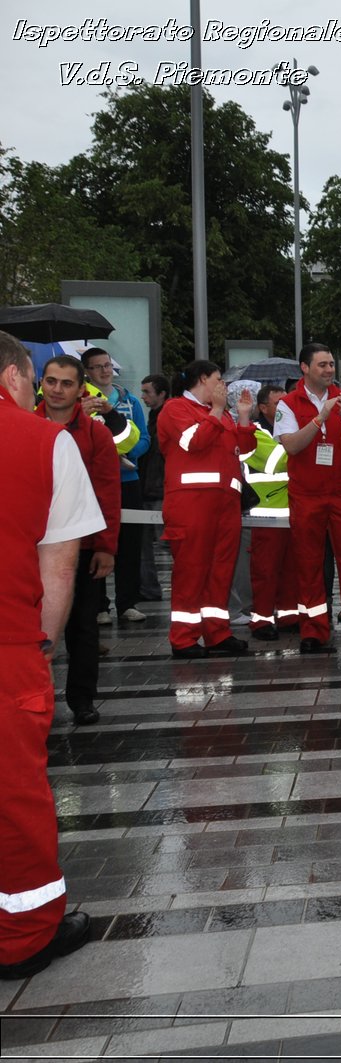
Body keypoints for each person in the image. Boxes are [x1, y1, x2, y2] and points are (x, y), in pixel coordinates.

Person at [0, 334, 101, 980]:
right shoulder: (45, 442)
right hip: (7, 644)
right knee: (15, 797)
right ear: (13, 375)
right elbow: (59, 568)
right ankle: (25, 934)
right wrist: (43, 642)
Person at [35, 356, 120, 725]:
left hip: (81, 548)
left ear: (79, 388)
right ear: (41, 382)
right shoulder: (25, 424)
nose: (57, 390)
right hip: (32, 546)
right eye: (51, 381)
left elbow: (107, 492)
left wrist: (105, 546)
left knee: (82, 628)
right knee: (31, 628)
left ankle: (82, 700)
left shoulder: (94, 433)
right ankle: (36, 697)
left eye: (65, 383)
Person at [274, 343, 341, 652]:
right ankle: (314, 630)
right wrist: (320, 418)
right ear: (304, 368)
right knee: (308, 562)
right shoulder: (288, 404)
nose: (330, 370)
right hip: (306, 495)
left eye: (332, 364)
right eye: (323, 365)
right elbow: (291, 445)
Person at [159, 361, 257, 659]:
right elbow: (195, 443)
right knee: (191, 573)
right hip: (191, 507)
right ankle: (184, 638)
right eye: (218, 380)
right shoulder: (175, 409)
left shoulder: (223, 414)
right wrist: (216, 411)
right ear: (203, 379)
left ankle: (217, 633)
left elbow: (246, 450)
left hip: (225, 507)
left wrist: (241, 417)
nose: (223, 387)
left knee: (220, 572)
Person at [80, 348, 149, 626]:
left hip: (128, 480)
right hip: (94, 483)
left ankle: (127, 603)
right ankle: (99, 606)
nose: (105, 371)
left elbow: (144, 439)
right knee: (95, 543)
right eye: (97, 367)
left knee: (129, 545)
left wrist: (129, 457)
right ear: (87, 372)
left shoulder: (128, 400)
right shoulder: (81, 401)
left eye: (107, 365)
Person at [242, 394, 298, 641]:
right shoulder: (254, 432)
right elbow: (278, 460)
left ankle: (289, 616)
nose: (284, 406)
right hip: (266, 515)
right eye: (277, 403)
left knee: (291, 571)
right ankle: (262, 620)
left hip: (291, 512)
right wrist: (306, 445)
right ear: (263, 407)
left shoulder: (288, 428)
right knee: (265, 572)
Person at [137, 373, 169, 603]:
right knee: (146, 544)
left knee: (167, 543)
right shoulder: (152, 417)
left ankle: (151, 589)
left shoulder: (164, 419)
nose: (143, 396)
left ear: (162, 393)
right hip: (150, 488)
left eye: (148, 391)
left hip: (158, 490)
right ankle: (149, 589)